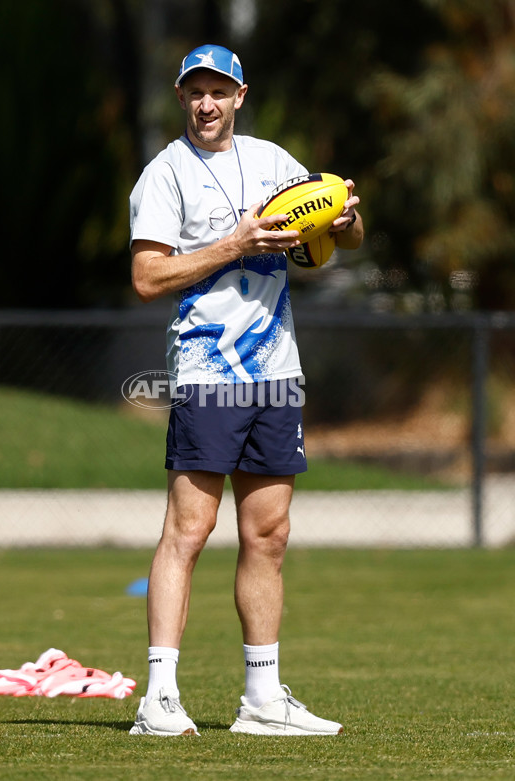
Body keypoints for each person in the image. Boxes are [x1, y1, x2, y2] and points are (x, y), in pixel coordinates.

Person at [128, 44, 363, 737]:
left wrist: (346, 223)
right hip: (209, 371)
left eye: (218, 91)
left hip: (276, 371)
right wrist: (235, 243)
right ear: (180, 99)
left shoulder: (272, 162)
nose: (206, 103)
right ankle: (159, 698)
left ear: (239, 95)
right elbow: (147, 277)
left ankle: (262, 699)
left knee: (268, 533)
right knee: (189, 530)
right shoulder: (164, 174)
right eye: (194, 92)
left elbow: (339, 235)